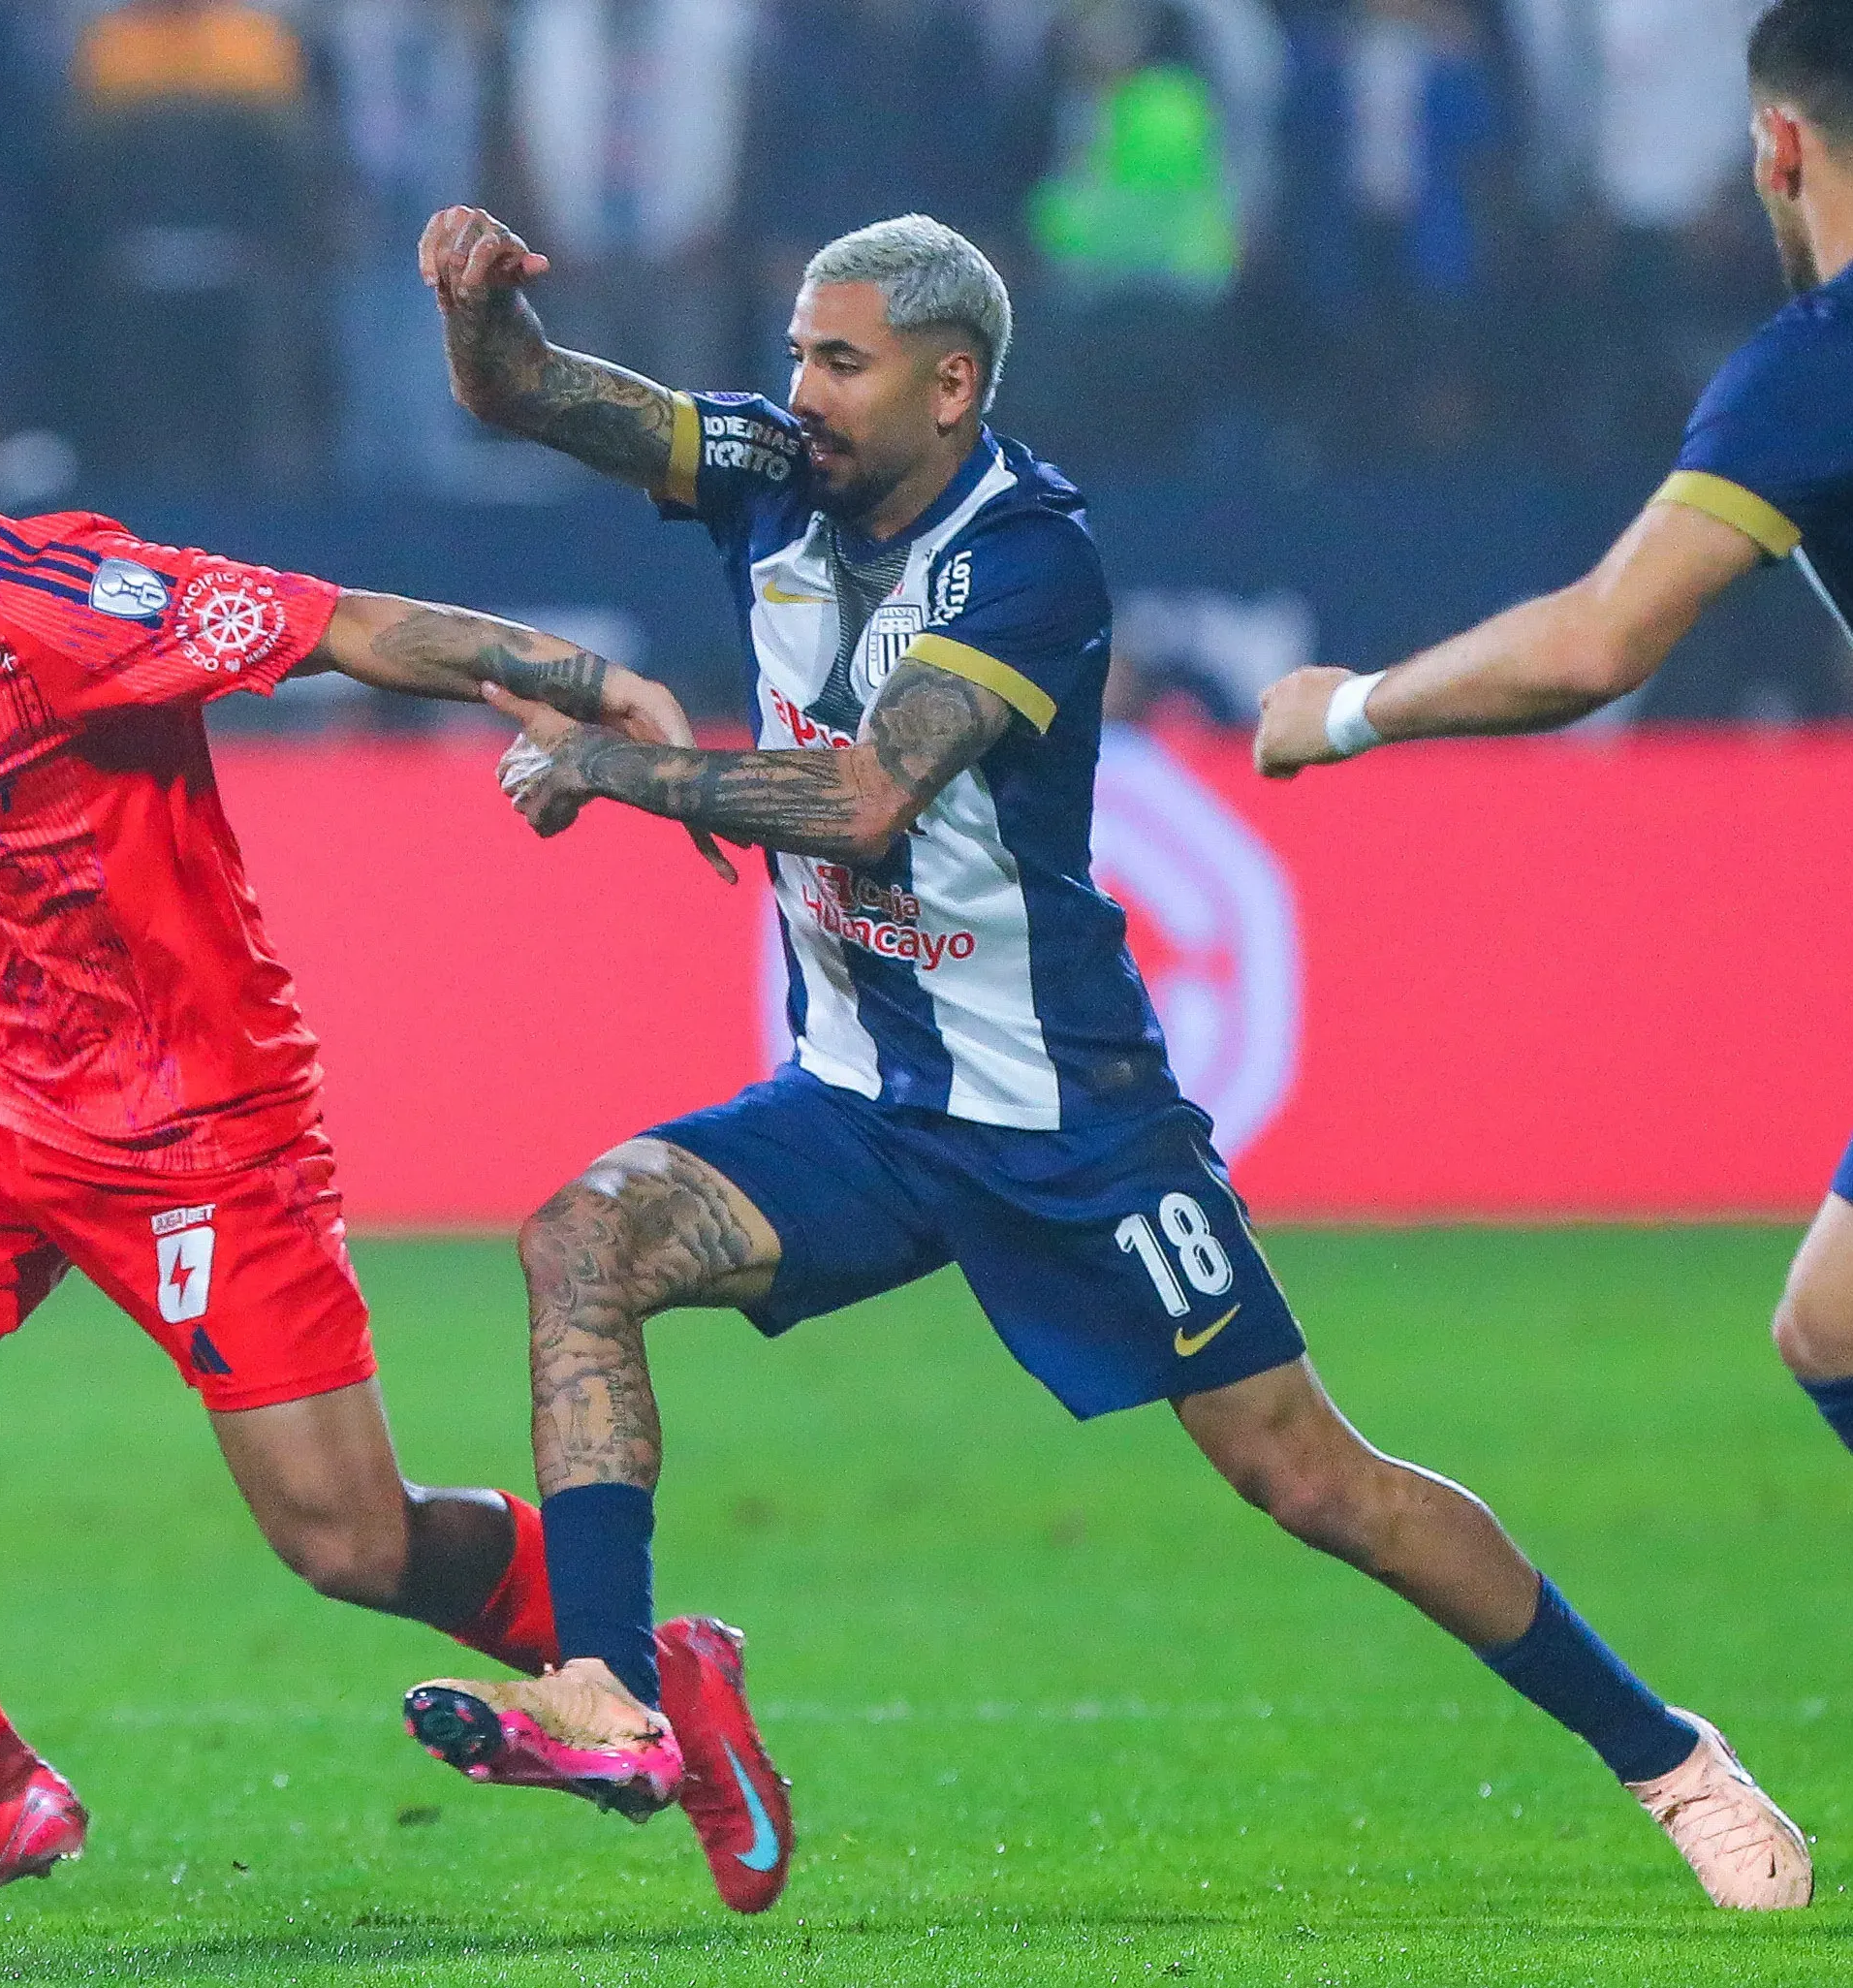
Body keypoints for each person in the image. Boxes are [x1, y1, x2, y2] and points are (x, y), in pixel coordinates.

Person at [397, 204, 1814, 1914]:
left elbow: (863, 801)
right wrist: (479, 314)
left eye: (838, 362)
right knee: (583, 1236)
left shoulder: (1030, 555)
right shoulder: (775, 467)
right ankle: (615, 1693)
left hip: (1071, 1119)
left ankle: (1664, 1750)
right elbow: (531, 395)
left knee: (1312, 1475)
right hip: (859, 1102)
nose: (800, 391)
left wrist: (618, 771)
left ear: (950, 383)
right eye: (794, 353)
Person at [0, 300, 716, 1925]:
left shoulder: (51, 597)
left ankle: (638, 1663)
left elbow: (336, 623)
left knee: (349, 1544)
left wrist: (573, 675)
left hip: (190, 1125)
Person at [1256, 0, 1853, 1506]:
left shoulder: (1815, 365)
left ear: (1778, 146)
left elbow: (1599, 638)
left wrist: (1347, 707)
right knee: (1832, 1319)